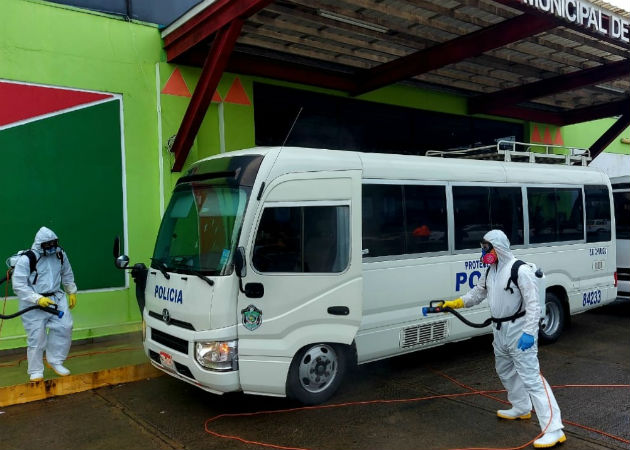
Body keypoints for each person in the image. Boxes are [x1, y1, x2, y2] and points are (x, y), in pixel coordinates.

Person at [442, 229, 565, 448]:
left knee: (532, 379)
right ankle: (521, 407)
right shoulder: (490, 270)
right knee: (505, 370)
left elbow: (534, 305)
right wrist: (456, 303)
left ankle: (554, 429)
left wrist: (529, 332)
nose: (484, 252)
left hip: (519, 329)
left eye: (486, 248)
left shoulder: (520, 270)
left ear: (498, 247)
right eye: (483, 248)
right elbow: (478, 293)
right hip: (499, 330)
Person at [12, 227, 77, 382]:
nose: (52, 248)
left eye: (54, 243)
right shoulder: (27, 259)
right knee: (37, 336)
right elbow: (19, 285)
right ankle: (35, 370)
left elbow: (67, 273)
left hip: (56, 298)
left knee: (65, 326)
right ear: (40, 244)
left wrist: (71, 290)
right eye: (48, 245)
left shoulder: (60, 254)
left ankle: (55, 361)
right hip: (33, 303)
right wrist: (36, 298)